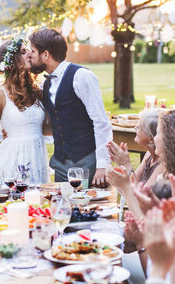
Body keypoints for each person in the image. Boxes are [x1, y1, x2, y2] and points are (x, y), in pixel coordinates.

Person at [28, 28, 112, 187]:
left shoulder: (82, 76)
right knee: (62, 209)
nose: (30, 55)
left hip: (86, 161)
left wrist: (102, 165)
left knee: (87, 208)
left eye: (32, 51)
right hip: (60, 164)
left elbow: (101, 122)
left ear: (45, 54)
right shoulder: (47, 84)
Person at [0, 38, 50, 184]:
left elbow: (43, 128)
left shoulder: (38, 91)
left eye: (28, 50)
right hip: (12, 158)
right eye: (23, 52)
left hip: (37, 155)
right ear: (12, 61)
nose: (29, 54)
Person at [107, 109, 165, 186]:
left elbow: (141, 195)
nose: (134, 128)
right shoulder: (150, 154)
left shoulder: (164, 163)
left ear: (151, 139)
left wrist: (126, 164)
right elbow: (134, 180)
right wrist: (122, 164)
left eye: (139, 127)